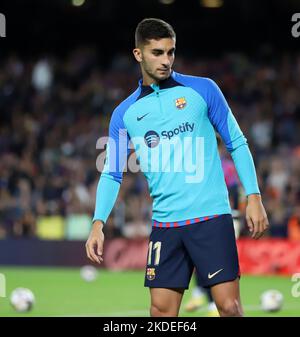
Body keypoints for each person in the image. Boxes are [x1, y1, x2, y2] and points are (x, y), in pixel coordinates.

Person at [86, 18, 269, 317]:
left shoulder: (203, 90)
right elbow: (111, 172)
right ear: (138, 54)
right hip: (165, 226)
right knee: (160, 312)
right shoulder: (125, 113)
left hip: (210, 217)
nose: (166, 60)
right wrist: (98, 223)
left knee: (229, 307)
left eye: (170, 52)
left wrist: (254, 196)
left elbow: (236, 142)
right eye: (157, 52)